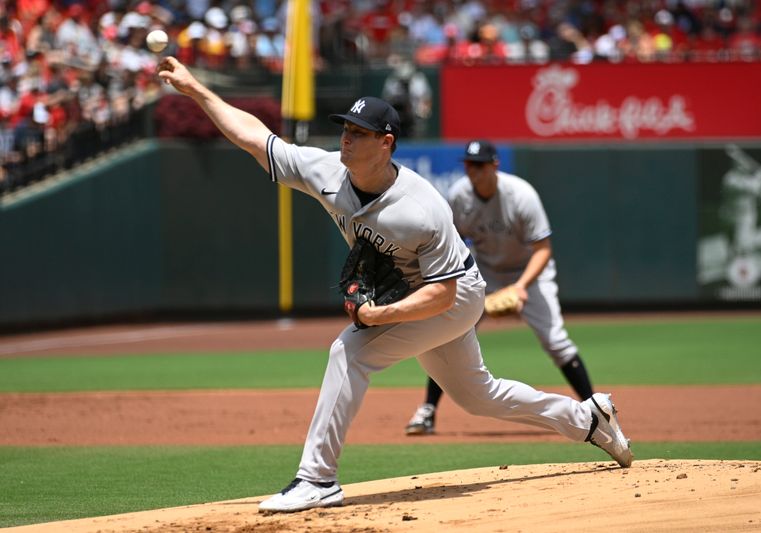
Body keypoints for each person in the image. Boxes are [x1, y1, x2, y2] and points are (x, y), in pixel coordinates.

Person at [156, 56, 634, 514]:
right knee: (477, 395)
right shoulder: (327, 171)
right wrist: (197, 90)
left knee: (351, 350)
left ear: (386, 143)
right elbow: (256, 139)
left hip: (453, 294)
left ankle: (317, 479)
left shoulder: (421, 208)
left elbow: (443, 295)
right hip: (418, 295)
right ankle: (590, 418)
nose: (346, 139)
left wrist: (377, 316)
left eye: (358, 133)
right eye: (345, 129)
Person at [405, 140, 596, 436]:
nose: (473, 171)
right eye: (468, 165)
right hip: (485, 272)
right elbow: (450, 244)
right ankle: (427, 410)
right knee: (448, 332)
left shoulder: (521, 195)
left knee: (556, 341)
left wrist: (521, 287)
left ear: (494, 165)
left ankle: (595, 410)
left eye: (479, 165)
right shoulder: (459, 196)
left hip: (529, 272)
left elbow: (543, 250)